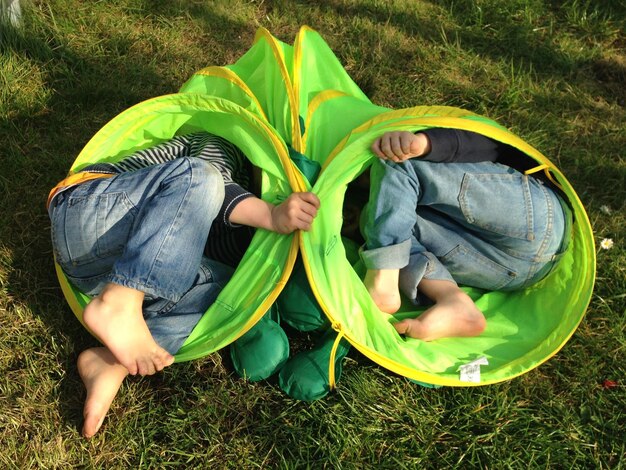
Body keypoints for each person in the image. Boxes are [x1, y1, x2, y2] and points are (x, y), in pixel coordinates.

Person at [48, 131, 320, 437]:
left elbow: (174, 260)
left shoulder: (248, 245)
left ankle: (110, 362)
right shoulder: (224, 142)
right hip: (91, 216)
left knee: (227, 292)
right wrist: (270, 214)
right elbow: (211, 178)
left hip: (101, 276)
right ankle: (119, 303)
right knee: (201, 178)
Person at [361, 128, 571, 341]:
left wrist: (424, 143)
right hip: (518, 274)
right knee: (384, 217)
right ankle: (453, 300)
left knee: (395, 153)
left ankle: (383, 272)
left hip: (540, 219)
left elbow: (492, 146)